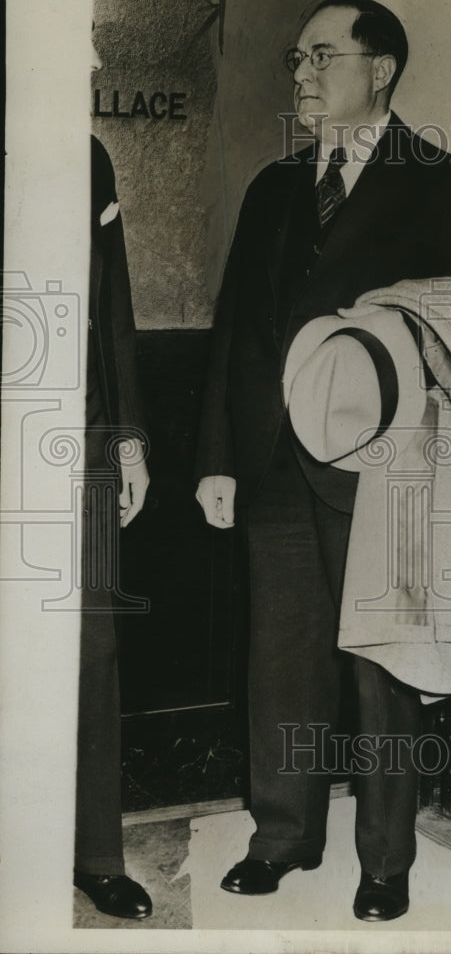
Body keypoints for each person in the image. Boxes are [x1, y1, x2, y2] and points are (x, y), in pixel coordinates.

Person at [195, 0, 451, 922]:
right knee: (279, 660)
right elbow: (235, 332)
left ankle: (384, 861)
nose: (301, 75)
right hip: (272, 463)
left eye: (321, 57)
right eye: (296, 60)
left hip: (389, 473)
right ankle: (282, 838)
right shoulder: (273, 187)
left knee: (385, 668)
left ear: (380, 70)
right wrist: (217, 458)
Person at [72, 134, 152, 920]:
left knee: (92, 651)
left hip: (80, 441)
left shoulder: (86, 155)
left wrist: (128, 442)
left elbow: (113, 309)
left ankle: (95, 854)